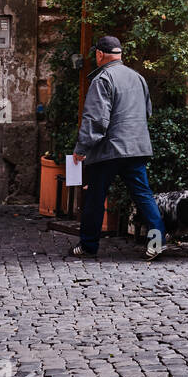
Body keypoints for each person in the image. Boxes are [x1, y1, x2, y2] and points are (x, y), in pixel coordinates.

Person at [70, 36, 166, 260]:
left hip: (109, 150)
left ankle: (88, 245)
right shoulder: (138, 77)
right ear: (120, 54)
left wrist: (81, 148)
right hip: (137, 147)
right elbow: (147, 112)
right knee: (143, 195)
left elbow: (96, 119)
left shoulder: (103, 79)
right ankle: (157, 242)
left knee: (95, 198)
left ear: (100, 55)